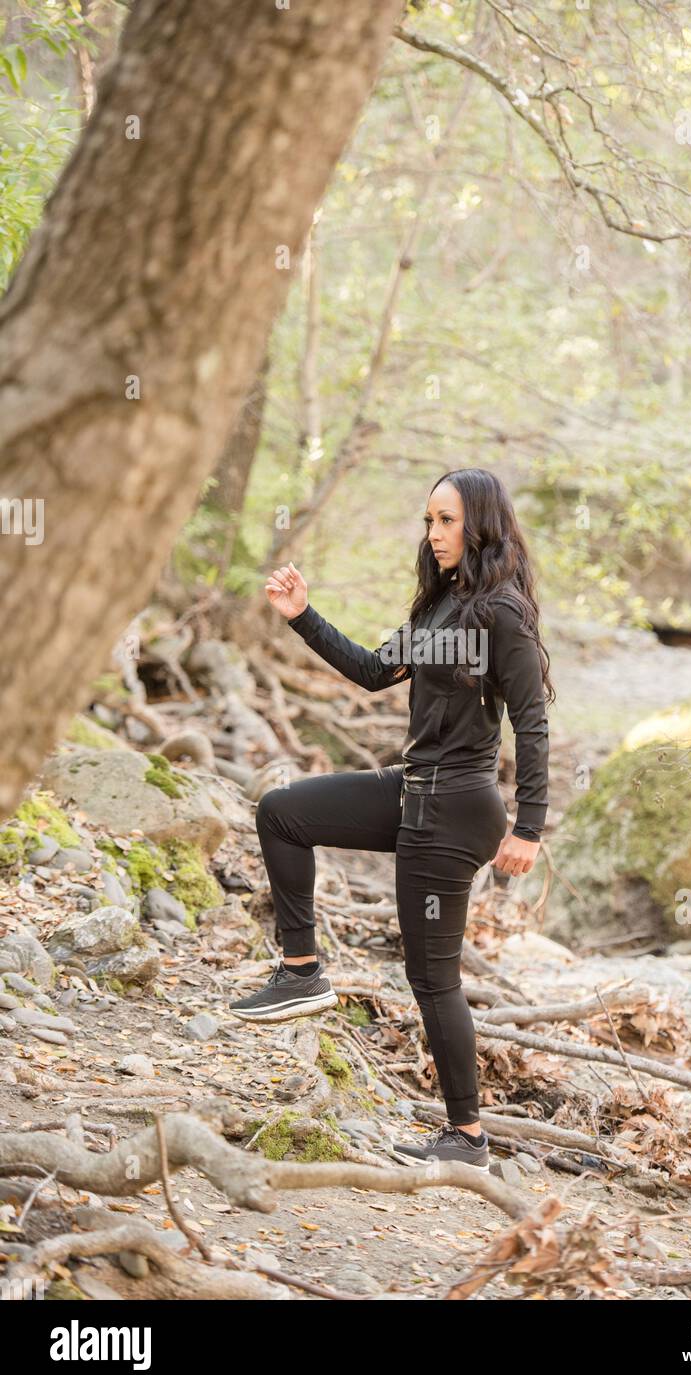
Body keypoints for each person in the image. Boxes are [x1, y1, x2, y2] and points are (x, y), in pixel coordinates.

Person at [229, 468, 554, 1171]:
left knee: (431, 979)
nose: (433, 533)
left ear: (481, 526)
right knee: (283, 811)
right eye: (428, 520)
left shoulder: (502, 613)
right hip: (413, 789)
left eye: (446, 521)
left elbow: (530, 721)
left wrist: (530, 826)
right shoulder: (440, 608)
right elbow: (375, 672)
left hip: (457, 808)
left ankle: (466, 1137)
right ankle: (301, 969)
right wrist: (302, 616)